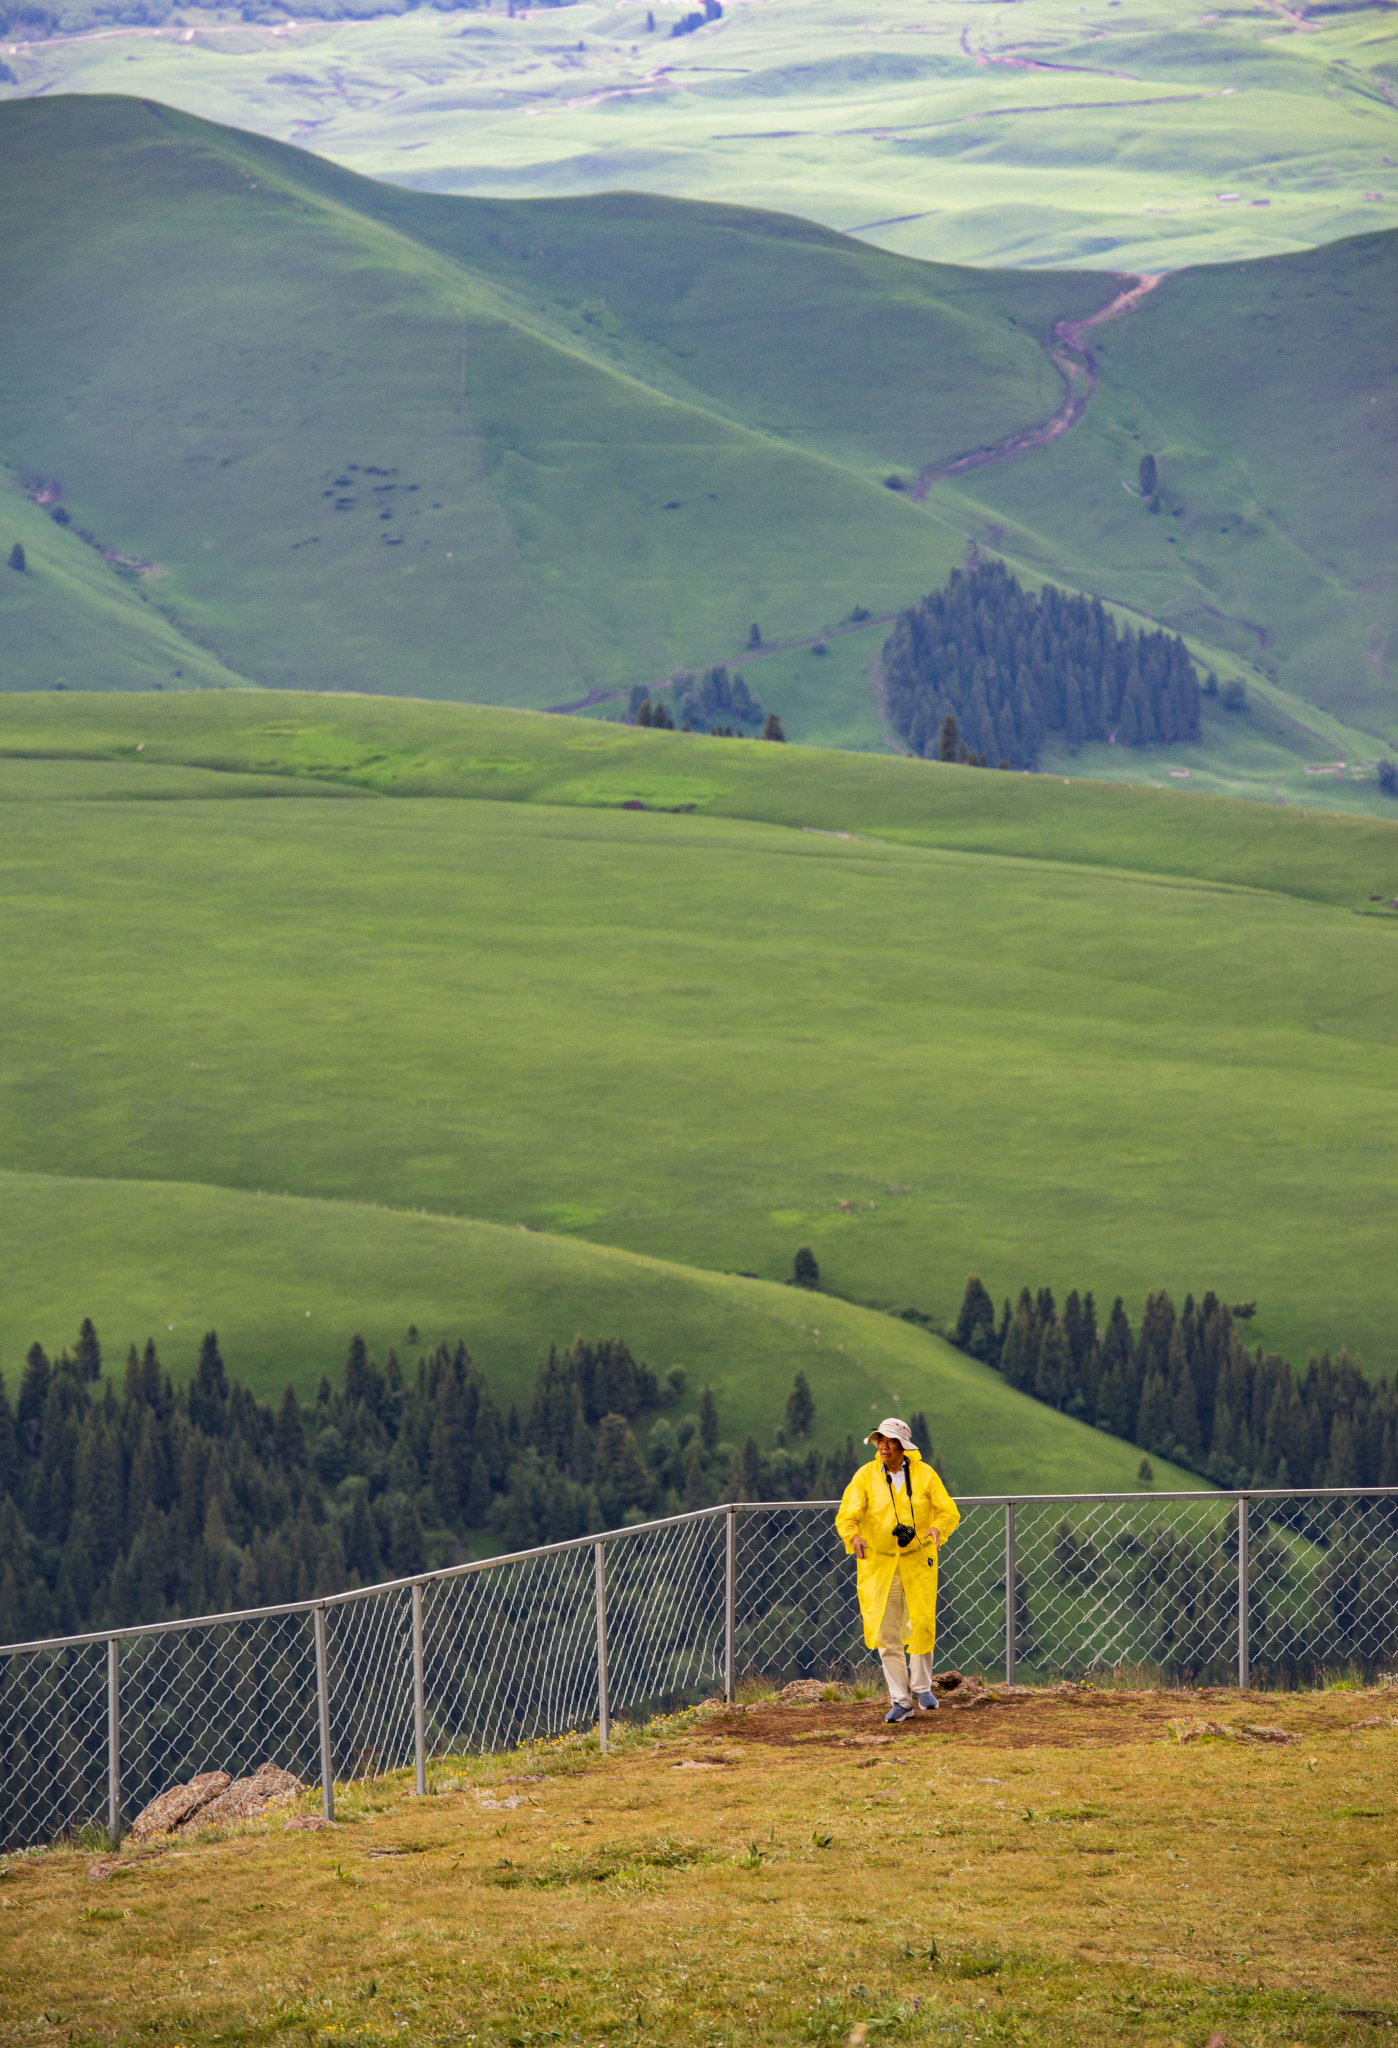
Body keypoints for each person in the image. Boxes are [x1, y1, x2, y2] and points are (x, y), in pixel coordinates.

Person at [835, 1417, 960, 1723]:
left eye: (890, 1441)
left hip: (918, 1559)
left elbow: (948, 1510)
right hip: (879, 1564)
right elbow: (847, 1514)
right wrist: (854, 1537)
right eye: (880, 1440)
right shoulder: (865, 1477)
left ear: (903, 1446)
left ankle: (922, 1686)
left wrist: (937, 1529)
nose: (884, 1446)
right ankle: (900, 1700)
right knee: (885, 1631)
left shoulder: (924, 1474)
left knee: (922, 1622)